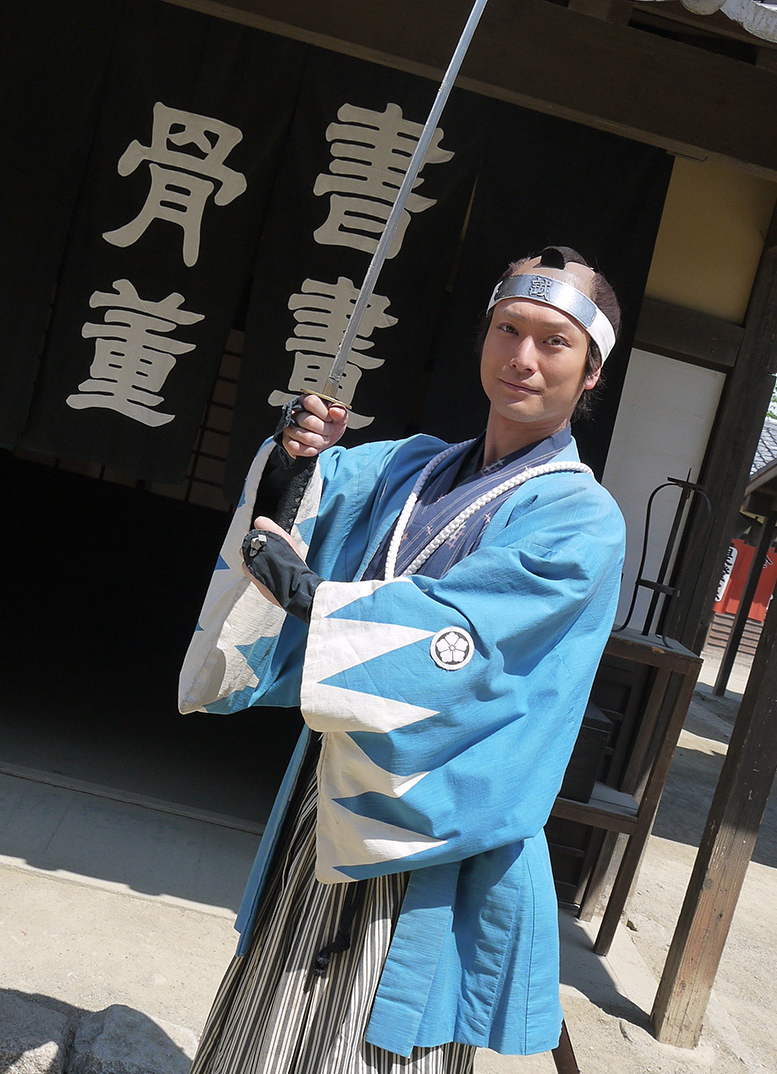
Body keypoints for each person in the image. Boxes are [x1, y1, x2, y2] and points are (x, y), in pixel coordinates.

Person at [179, 246, 626, 1073]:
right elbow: (305, 503)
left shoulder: (582, 520)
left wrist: (316, 599)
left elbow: (472, 639)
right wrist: (295, 457)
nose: (523, 358)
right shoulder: (416, 464)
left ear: (592, 372)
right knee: (267, 1017)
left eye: (554, 343)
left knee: (372, 1036)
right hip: (333, 792)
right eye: (507, 329)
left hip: (435, 821)